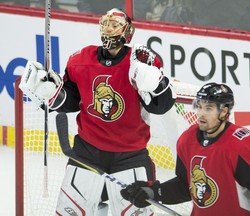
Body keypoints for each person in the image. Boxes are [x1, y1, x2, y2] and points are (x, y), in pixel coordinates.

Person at [19, 8, 175, 215]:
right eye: (106, 24)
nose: (109, 29)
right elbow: (71, 101)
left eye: (115, 25)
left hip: (130, 156)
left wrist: (155, 82)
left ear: (127, 31)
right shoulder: (81, 59)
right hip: (87, 153)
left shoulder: (139, 62)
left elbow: (161, 106)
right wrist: (50, 93)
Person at [121, 82, 250, 216]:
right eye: (199, 107)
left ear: (224, 112)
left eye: (208, 108)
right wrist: (153, 192)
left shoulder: (240, 144)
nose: (200, 114)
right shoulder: (187, 140)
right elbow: (186, 186)